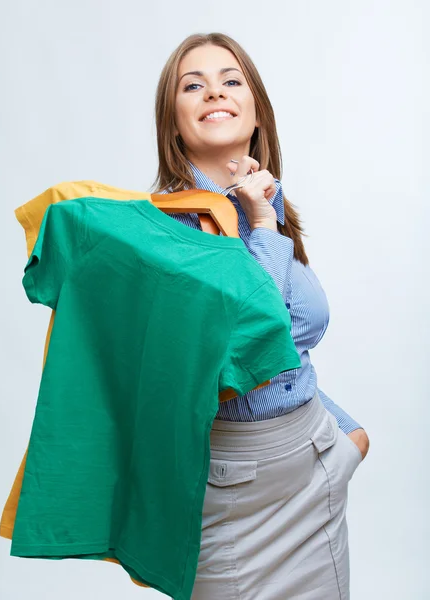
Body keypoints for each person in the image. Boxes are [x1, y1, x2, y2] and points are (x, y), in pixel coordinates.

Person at [151, 32, 370, 600]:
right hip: (234, 499)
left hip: (314, 477)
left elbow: (295, 345)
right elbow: (246, 349)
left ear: (255, 111)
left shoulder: (266, 201)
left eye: (230, 81)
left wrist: (344, 436)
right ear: (174, 123)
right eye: (192, 85)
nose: (213, 93)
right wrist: (263, 224)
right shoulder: (167, 231)